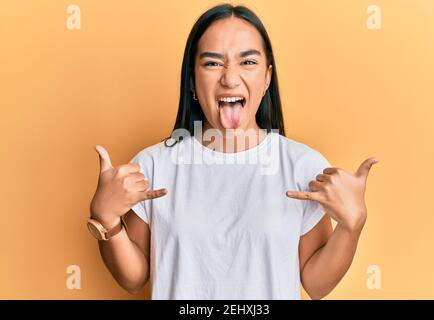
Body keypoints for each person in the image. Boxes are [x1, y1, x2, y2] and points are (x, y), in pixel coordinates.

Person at [88, 4, 378, 300]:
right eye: (213, 63)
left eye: (247, 62)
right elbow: (134, 278)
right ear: (191, 79)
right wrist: (106, 219)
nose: (229, 78)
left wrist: (350, 227)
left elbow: (317, 284)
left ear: (267, 78)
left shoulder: (302, 166)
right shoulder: (154, 164)